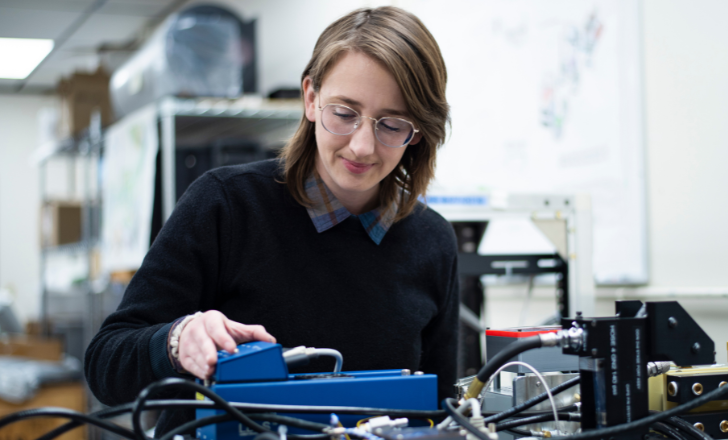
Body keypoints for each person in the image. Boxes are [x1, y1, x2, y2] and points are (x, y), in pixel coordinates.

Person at [84, 6, 458, 436]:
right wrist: (176, 339)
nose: (361, 146)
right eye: (344, 112)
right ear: (311, 98)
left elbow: (440, 409)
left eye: (392, 125)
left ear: (419, 133)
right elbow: (104, 365)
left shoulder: (433, 242)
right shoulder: (227, 205)